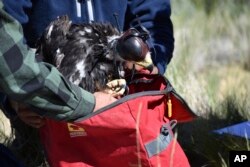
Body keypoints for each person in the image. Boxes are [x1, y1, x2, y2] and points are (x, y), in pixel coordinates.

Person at [1, 0, 174, 127]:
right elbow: (5, 41)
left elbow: (154, 23)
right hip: (45, 109)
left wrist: (144, 58)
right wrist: (15, 96)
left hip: (119, 107)